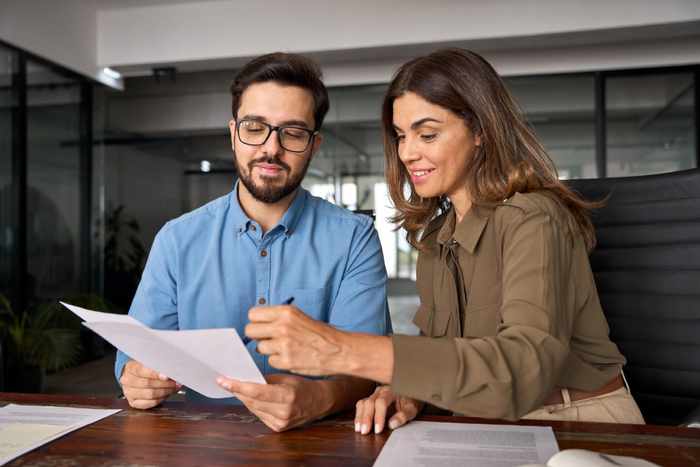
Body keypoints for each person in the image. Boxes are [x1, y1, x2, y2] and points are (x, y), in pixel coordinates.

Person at [243, 48, 645, 434]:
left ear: (480, 131)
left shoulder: (535, 218)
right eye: (401, 136)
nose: (407, 153)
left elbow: (523, 371)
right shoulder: (436, 239)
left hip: (579, 420)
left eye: (428, 134)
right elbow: (446, 351)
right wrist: (409, 391)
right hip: (487, 424)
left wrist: (342, 350)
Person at [114, 52, 390, 432]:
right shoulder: (177, 240)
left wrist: (319, 398)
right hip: (202, 446)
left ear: (314, 144)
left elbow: (369, 366)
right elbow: (134, 353)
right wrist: (135, 376)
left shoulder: (354, 239)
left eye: (292, 133)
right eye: (255, 127)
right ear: (233, 133)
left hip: (320, 444)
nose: (271, 149)